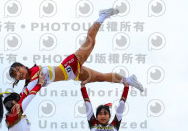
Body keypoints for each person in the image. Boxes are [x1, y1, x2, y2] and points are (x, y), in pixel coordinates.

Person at [9, 8, 144, 93]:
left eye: (18, 70)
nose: (19, 74)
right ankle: (129, 80)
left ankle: (102, 15)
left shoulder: (34, 72)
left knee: (90, 42)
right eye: (16, 75)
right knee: (100, 77)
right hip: (72, 75)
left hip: (69, 65)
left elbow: (24, 93)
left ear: (23, 66)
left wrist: (20, 98)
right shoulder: (30, 82)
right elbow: (24, 94)